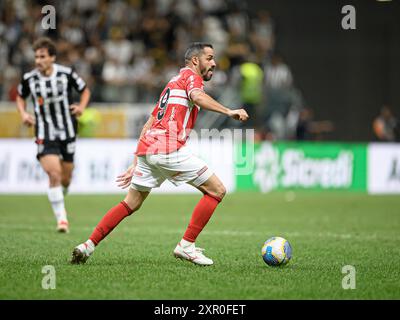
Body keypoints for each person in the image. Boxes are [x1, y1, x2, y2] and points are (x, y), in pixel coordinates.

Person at [70, 42, 249, 266]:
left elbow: (150, 122)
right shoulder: (192, 79)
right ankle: (186, 246)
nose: (214, 63)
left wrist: (137, 161)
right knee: (217, 190)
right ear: (195, 61)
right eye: (210, 58)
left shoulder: (172, 83)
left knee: (131, 203)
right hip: (168, 147)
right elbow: (198, 97)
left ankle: (87, 245)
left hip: (149, 147)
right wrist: (228, 110)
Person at [16, 37, 91, 233]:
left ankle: (60, 194)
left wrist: (81, 107)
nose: (38, 61)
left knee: (66, 178)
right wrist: (24, 113)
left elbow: (85, 91)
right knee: (54, 174)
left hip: (67, 132)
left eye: (42, 57)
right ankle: (62, 220)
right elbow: (19, 96)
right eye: (36, 57)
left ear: (52, 58)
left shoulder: (66, 74)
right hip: (44, 132)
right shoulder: (29, 78)